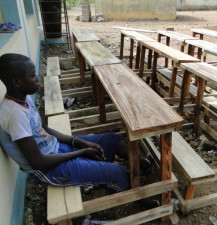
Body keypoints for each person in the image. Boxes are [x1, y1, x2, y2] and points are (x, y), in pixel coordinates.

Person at [0, 53, 157, 208]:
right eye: (32, 75)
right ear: (17, 82)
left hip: (58, 150)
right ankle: (136, 199)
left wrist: (79, 142)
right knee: (118, 173)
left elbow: (44, 128)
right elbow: (38, 162)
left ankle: (143, 166)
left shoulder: (24, 98)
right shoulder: (14, 115)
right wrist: (81, 152)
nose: (37, 78)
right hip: (50, 169)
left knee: (112, 139)